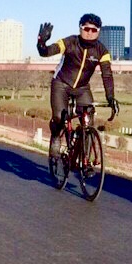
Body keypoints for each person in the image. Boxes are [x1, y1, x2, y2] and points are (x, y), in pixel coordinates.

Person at [37, 13, 119, 162]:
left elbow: (107, 75)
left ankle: (85, 160)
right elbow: (46, 52)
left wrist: (111, 97)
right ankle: (56, 136)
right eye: (86, 29)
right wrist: (41, 43)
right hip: (61, 84)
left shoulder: (102, 51)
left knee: (88, 123)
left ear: (98, 32)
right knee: (59, 117)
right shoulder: (70, 42)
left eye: (94, 30)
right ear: (80, 28)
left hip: (82, 88)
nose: (89, 33)